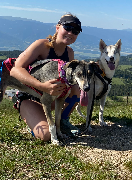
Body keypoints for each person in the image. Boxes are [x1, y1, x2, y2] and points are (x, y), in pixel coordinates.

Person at [10, 13, 82, 141]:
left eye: (75, 31)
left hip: (51, 98)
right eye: (67, 27)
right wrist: (42, 86)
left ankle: (63, 120)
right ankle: (33, 122)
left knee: (77, 88)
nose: (71, 33)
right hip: (29, 97)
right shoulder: (41, 46)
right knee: (46, 136)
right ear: (58, 27)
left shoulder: (70, 53)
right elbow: (15, 70)